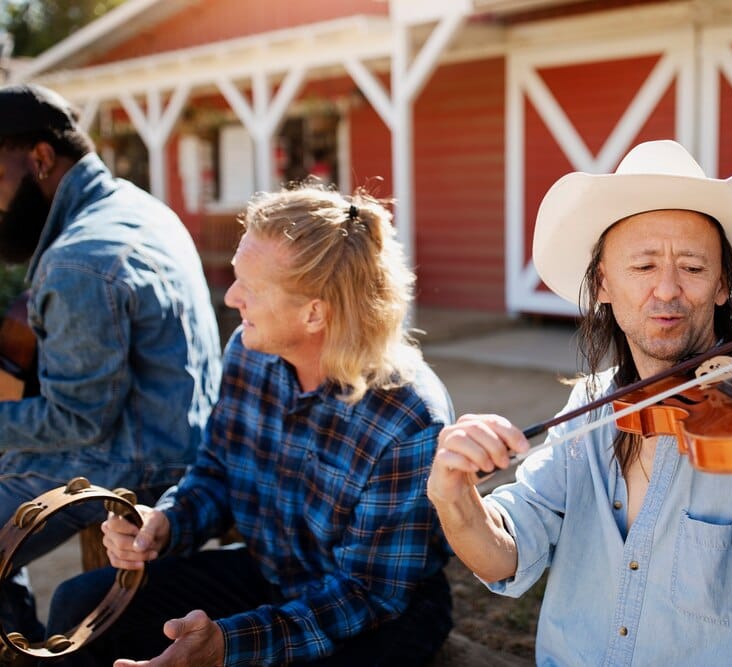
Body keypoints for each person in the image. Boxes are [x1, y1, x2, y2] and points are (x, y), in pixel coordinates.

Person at [427, 140, 732, 665]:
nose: (667, 290)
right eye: (644, 266)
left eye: (692, 268)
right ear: (603, 284)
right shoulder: (592, 403)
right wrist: (455, 498)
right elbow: (505, 556)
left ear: (722, 285)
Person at [48, 184, 455, 666]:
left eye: (250, 287)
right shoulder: (249, 351)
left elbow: (367, 596)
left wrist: (227, 644)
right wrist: (165, 523)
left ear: (314, 313)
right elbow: (218, 469)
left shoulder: (407, 419)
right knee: (79, 607)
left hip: (375, 612)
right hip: (272, 573)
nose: (231, 297)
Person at [0, 84, 221, 640]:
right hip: (182, 444)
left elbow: (76, 420)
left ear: (41, 158)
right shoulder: (138, 207)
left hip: (133, 468)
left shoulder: (79, 260)